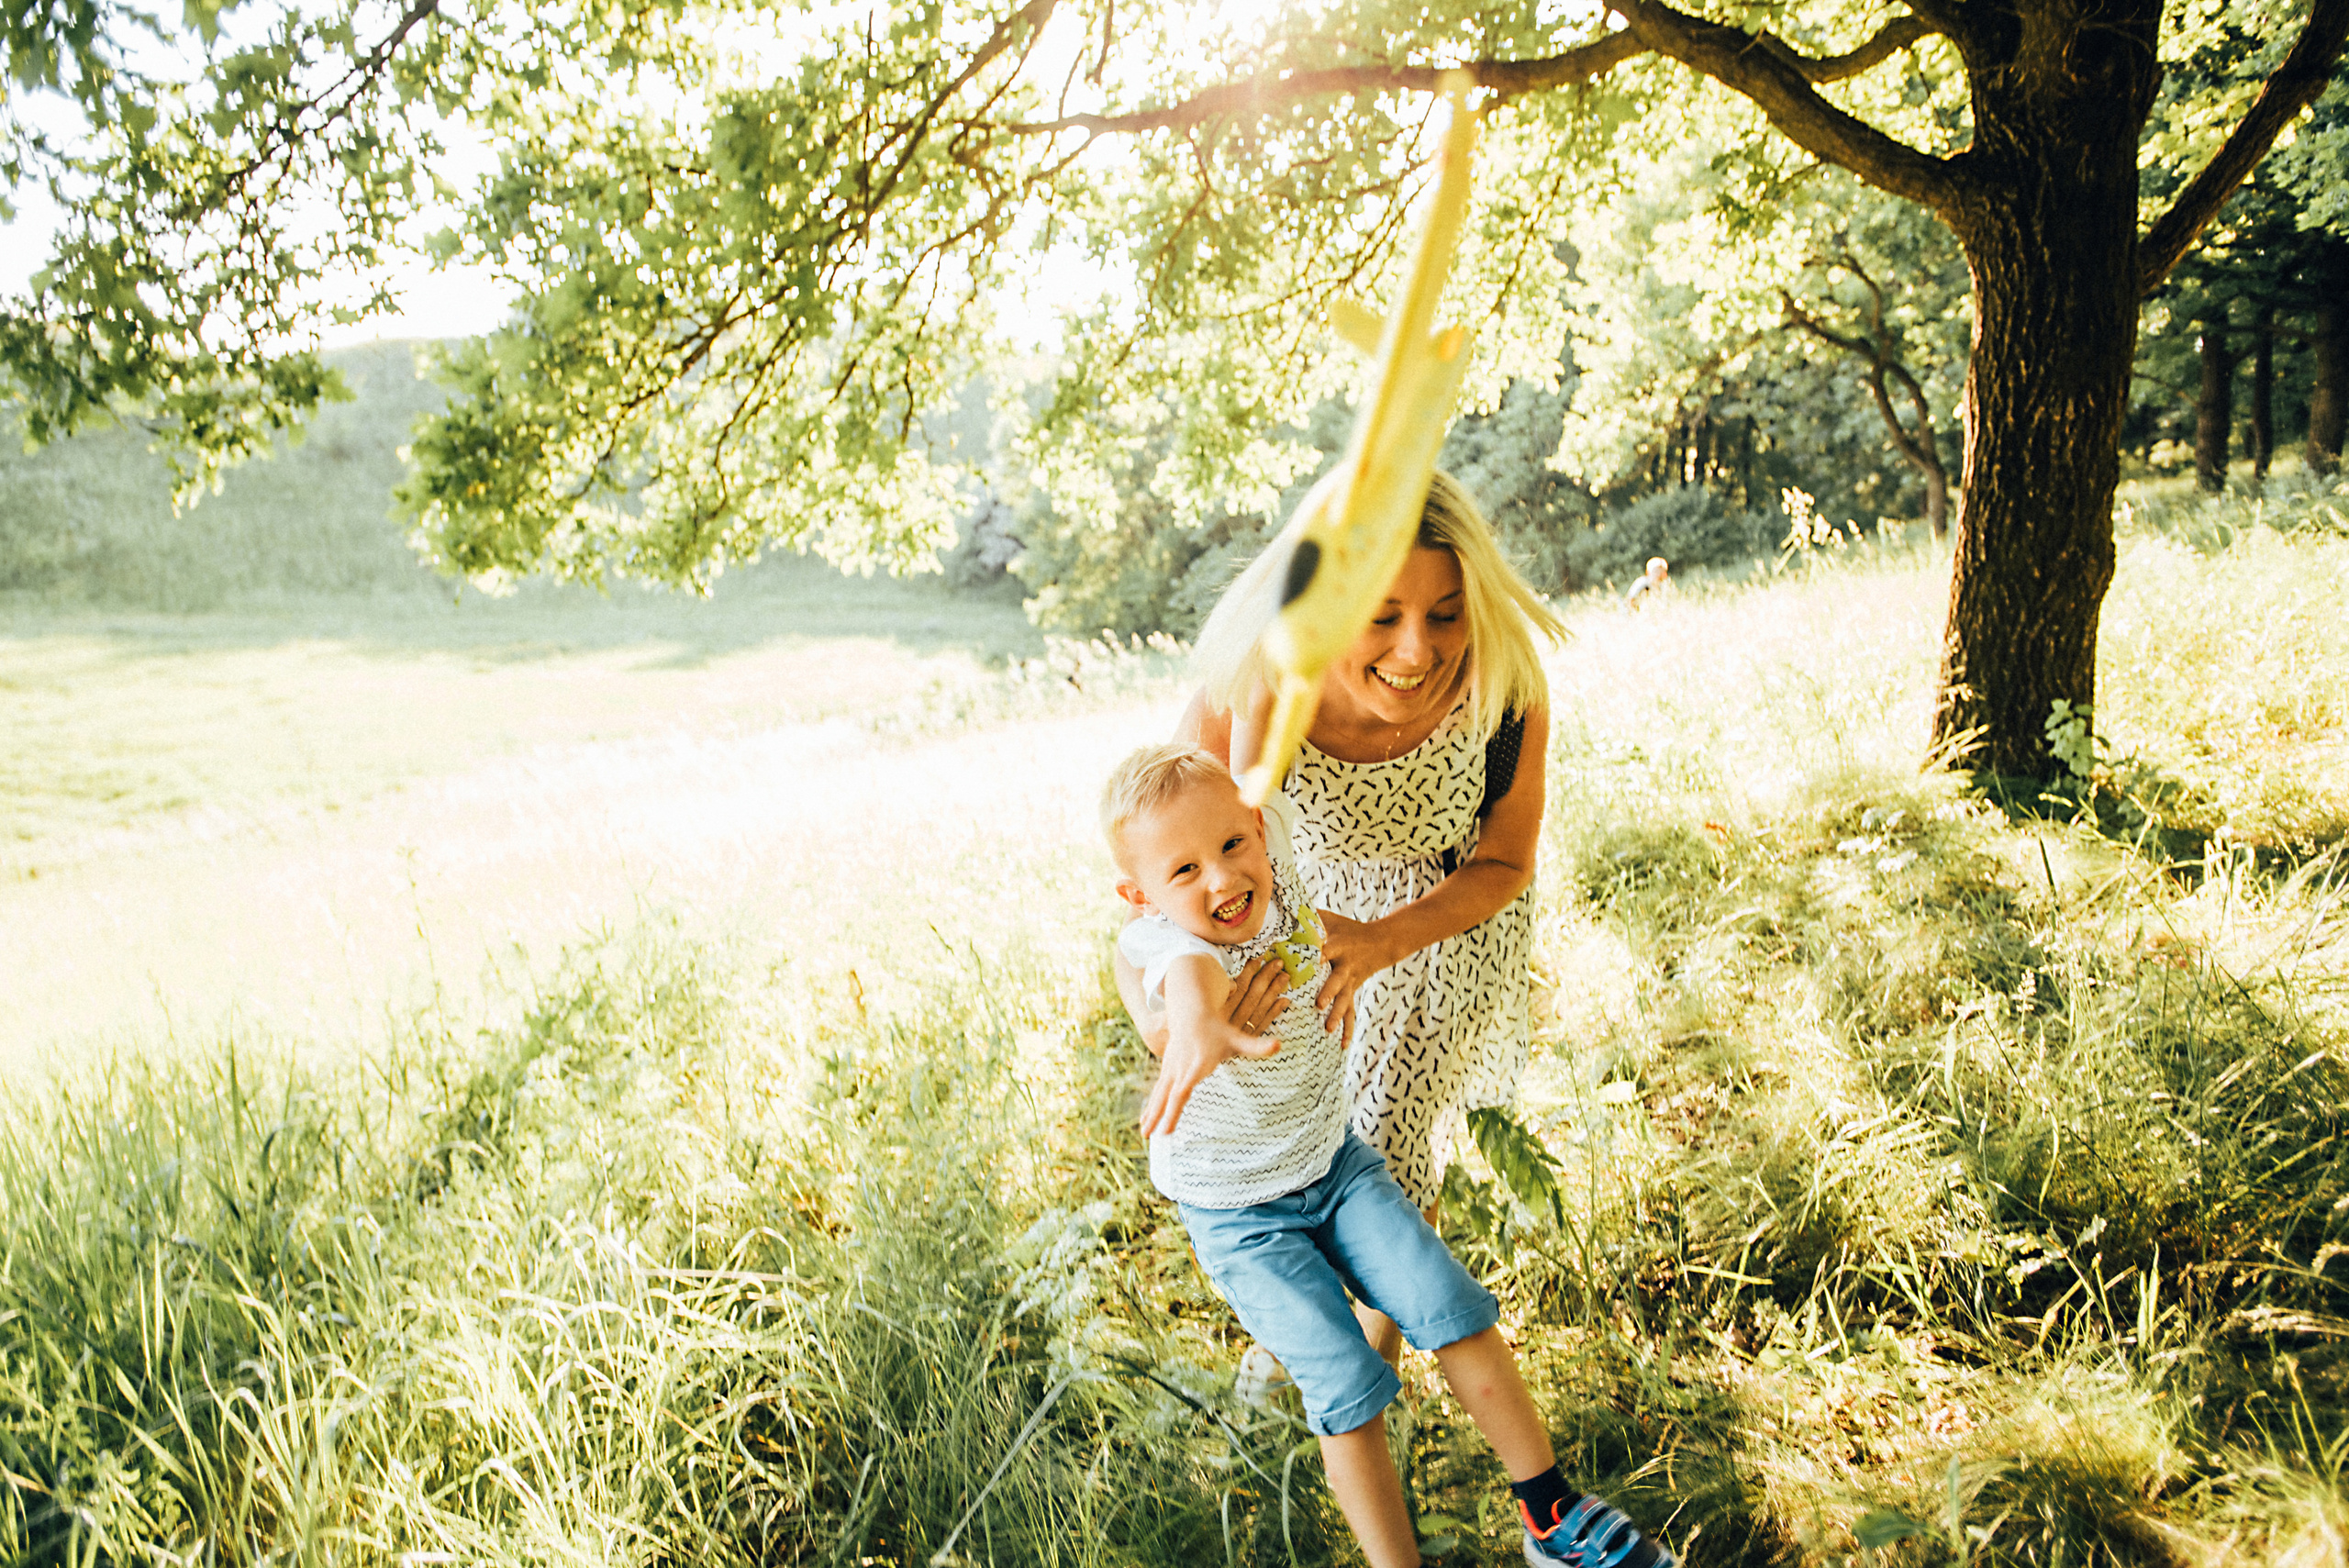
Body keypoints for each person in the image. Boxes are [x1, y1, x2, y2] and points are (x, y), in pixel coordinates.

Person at [1103, 743, 1669, 1568]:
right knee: (1346, 1384)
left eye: (1230, 844)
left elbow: (1265, 721)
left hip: (1333, 1163)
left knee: (1449, 1302)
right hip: (1241, 1214)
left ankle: (1553, 1516)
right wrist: (1192, 1026)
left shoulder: (1271, 850)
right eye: (1184, 870)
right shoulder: (1170, 946)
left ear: (1257, 825)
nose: (1221, 878)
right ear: (1141, 897)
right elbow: (1180, 979)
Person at [1119, 469, 1564, 1362]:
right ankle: (1308, 1327)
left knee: (1390, 1147)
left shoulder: (1503, 687)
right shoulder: (1249, 686)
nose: (1416, 648)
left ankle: (1369, 1357)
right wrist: (1170, 1018)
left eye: (1446, 613)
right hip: (1289, 933)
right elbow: (1156, 886)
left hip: (1436, 930)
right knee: (1291, 1134)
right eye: (1380, 614)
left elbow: (1506, 860)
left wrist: (1382, 941)